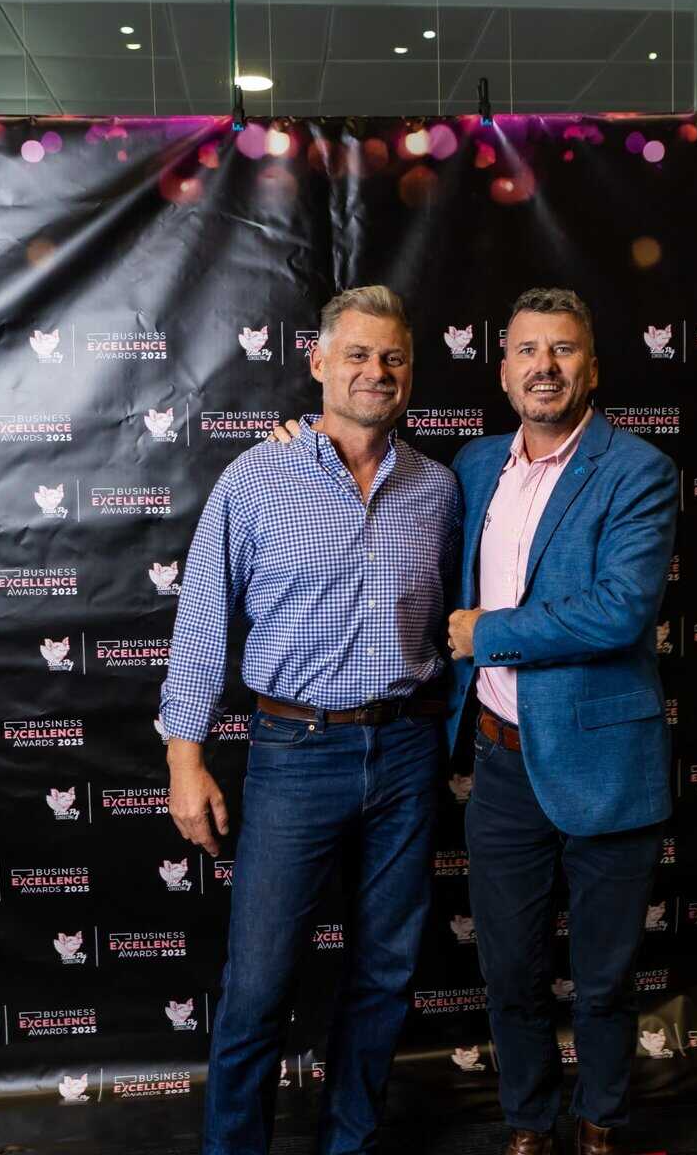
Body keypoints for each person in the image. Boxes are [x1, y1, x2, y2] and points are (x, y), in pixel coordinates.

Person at [158, 285, 462, 1155]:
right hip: (295, 751)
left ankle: (348, 1145)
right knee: (260, 983)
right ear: (320, 362)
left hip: (406, 749)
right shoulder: (256, 478)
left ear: (411, 372)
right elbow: (202, 623)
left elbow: (454, 615)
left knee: (384, 975)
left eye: (393, 358)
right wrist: (185, 759)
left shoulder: (438, 489)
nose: (376, 371)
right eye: (357, 354)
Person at [446, 288, 677, 1155]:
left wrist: (487, 635)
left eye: (564, 350)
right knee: (509, 971)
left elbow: (619, 611)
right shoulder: (474, 466)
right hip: (501, 765)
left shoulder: (638, 470)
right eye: (528, 350)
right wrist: (302, 440)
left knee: (605, 978)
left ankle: (602, 1120)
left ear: (593, 369)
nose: (545, 366)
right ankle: (530, 1122)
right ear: (504, 372)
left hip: (605, 762)